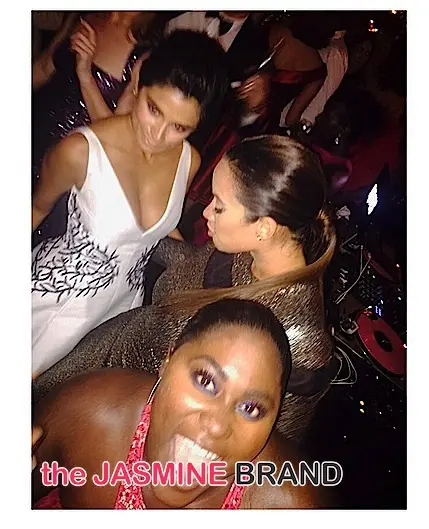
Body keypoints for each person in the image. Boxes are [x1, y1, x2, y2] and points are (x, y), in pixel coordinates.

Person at [33, 135, 337, 442]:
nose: (206, 213)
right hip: (111, 344)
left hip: (120, 415)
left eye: (219, 207)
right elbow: (194, 266)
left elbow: (269, 447)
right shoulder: (251, 249)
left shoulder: (298, 342)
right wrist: (138, 229)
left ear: (264, 227)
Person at [31, 30, 229, 376]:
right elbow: (35, 210)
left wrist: (205, 273)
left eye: (180, 127)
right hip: (53, 307)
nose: (158, 134)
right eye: (154, 109)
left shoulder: (189, 161)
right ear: (138, 84)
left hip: (120, 314)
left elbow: (153, 233)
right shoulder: (80, 151)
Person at [33, 299, 328, 509]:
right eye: (205, 380)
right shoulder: (86, 412)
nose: (217, 425)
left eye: (251, 408)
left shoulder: (290, 505)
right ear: (168, 360)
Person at [32, 11, 157, 246]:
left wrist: (85, 75)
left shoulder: (148, 52)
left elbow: (114, 138)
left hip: (65, 170)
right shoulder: (84, 14)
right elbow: (44, 67)